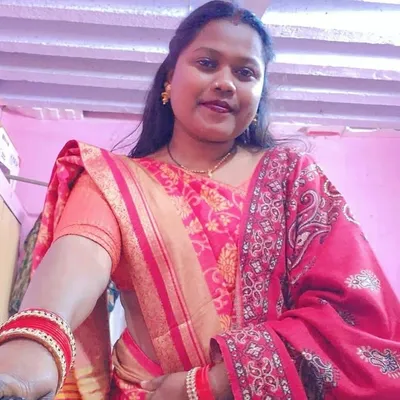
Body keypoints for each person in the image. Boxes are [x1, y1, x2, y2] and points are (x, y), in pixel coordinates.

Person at [0, 1, 399, 399]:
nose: (226, 82)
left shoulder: (293, 178)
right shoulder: (114, 181)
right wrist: (33, 346)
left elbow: (355, 315)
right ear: (169, 78)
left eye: (245, 72)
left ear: (260, 93)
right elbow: (81, 255)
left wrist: (215, 383)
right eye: (207, 63)